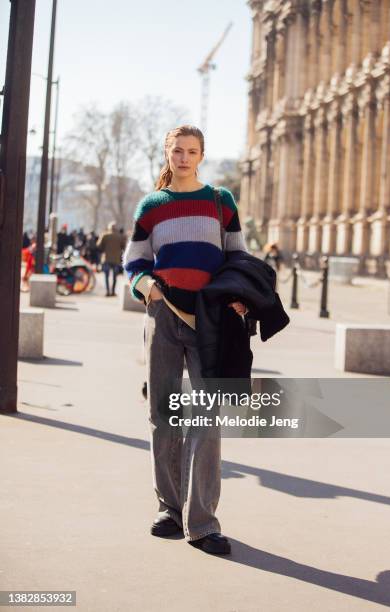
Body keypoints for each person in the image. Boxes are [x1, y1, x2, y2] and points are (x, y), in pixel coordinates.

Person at [123, 125, 248, 555]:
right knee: (164, 415)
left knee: (206, 420)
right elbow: (134, 261)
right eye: (177, 150)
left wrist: (238, 298)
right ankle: (170, 509)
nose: (184, 157)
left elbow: (237, 257)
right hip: (162, 314)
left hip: (209, 321)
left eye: (192, 151)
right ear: (167, 153)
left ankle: (203, 523)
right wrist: (149, 288)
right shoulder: (152, 205)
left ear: (202, 155)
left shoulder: (220, 201)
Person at [97, 221, 126, 296]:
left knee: (106, 276)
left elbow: (99, 246)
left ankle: (107, 291)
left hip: (106, 259)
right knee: (115, 276)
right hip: (116, 259)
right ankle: (113, 291)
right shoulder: (120, 236)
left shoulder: (105, 235)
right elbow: (124, 247)